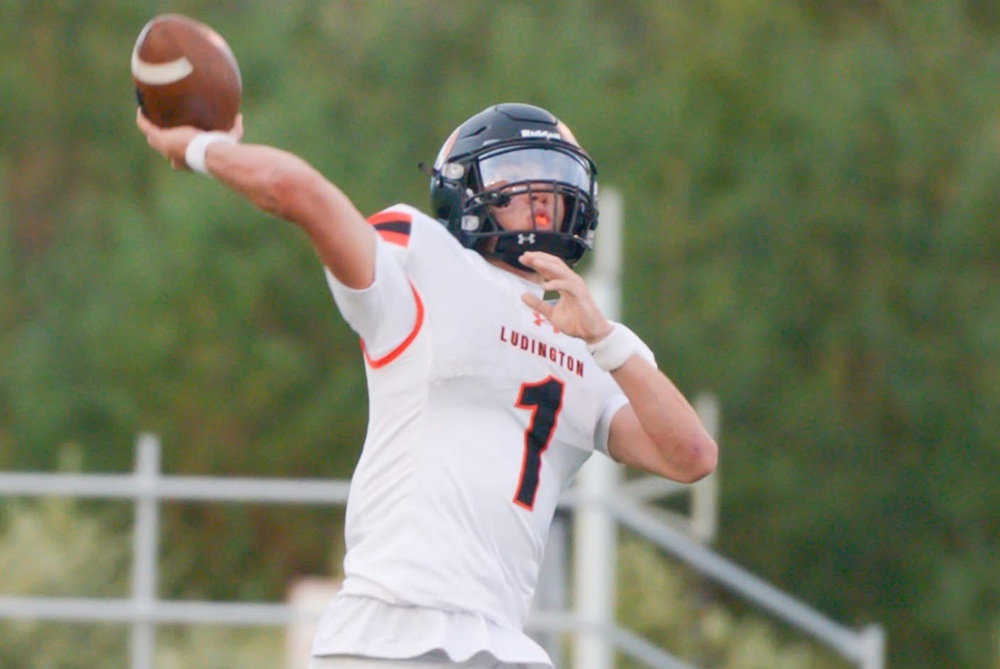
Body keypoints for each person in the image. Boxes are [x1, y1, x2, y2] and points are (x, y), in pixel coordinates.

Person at [136, 102, 718, 669]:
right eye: (518, 174)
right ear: (465, 189)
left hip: (502, 641)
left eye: (555, 177)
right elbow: (300, 193)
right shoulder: (425, 259)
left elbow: (691, 456)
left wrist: (605, 340)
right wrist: (202, 148)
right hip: (391, 630)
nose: (543, 193)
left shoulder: (597, 342)